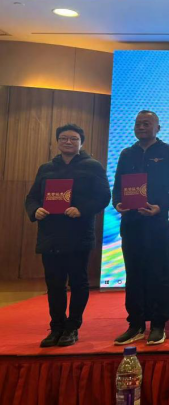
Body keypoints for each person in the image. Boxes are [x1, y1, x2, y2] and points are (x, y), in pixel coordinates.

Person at [25, 124, 111, 348]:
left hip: (78, 233)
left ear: (81, 142)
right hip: (50, 235)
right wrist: (35, 210)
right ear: (57, 142)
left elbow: (103, 197)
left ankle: (72, 327)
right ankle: (56, 327)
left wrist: (81, 209)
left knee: (78, 282)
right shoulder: (46, 168)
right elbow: (31, 198)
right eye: (64, 138)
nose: (68, 142)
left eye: (73, 139)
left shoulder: (92, 166)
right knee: (54, 283)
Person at [112, 110, 169, 346]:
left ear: (158, 128)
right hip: (131, 223)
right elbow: (118, 185)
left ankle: (159, 324)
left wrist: (161, 207)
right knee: (134, 275)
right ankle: (136, 324)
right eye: (138, 124)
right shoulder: (126, 153)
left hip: (156, 223)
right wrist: (117, 203)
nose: (141, 127)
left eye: (147, 123)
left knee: (159, 275)